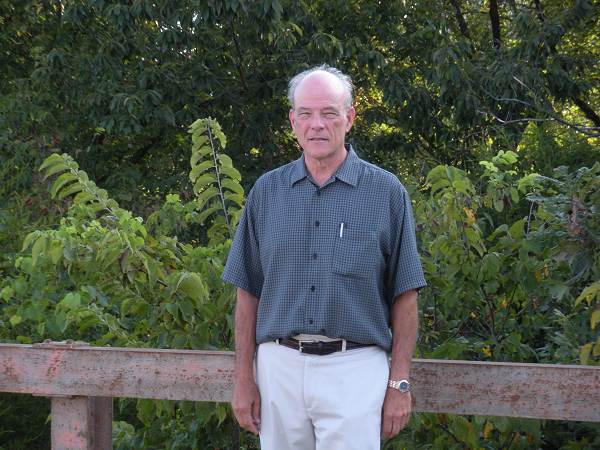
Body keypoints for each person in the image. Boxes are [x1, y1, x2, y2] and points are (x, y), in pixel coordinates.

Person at [221, 64, 426, 450]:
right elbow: (247, 292)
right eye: (306, 113)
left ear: (349, 118)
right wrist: (243, 378)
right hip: (277, 367)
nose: (317, 124)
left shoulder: (386, 193)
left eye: (329, 113)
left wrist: (399, 383)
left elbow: (406, 295)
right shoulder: (267, 192)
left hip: (356, 368)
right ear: (293, 121)